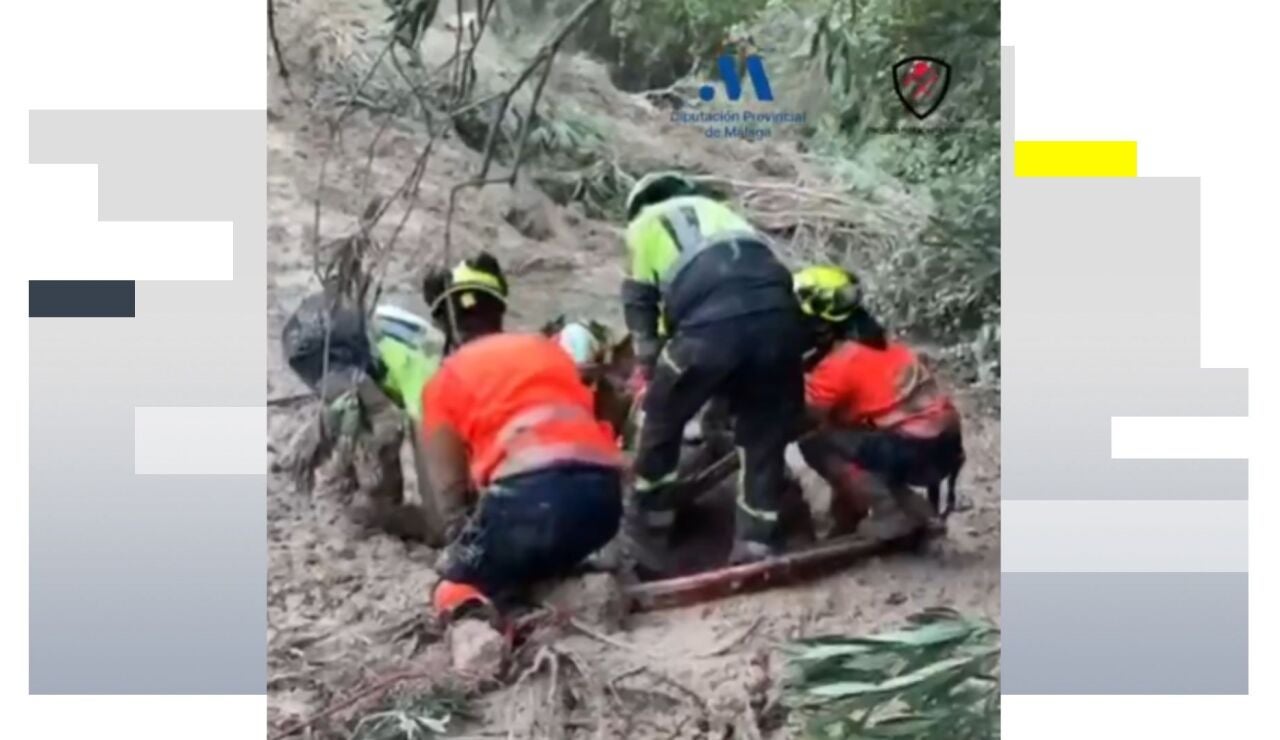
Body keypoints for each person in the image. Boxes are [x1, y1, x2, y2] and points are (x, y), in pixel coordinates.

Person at [621, 170, 808, 564]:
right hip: (782, 320)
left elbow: (639, 300)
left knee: (662, 417)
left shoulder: (644, 224)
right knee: (763, 435)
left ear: (638, 206)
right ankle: (756, 541)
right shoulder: (727, 217)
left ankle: (651, 526)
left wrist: (651, 364)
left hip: (711, 324)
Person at [421, 265, 625, 623]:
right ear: (499, 314)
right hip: (603, 504)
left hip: (526, 505)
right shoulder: (548, 350)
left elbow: (449, 492)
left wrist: (462, 544)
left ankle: (479, 630)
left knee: (451, 581)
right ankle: (581, 588)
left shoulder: (444, 378)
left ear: (443, 326)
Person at [792, 265, 964, 536]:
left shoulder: (837, 363)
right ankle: (904, 512)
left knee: (815, 440)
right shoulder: (878, 341)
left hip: (917, 449)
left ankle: (889, 512)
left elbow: (805, 420)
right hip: (946, 441)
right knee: (851, 436)